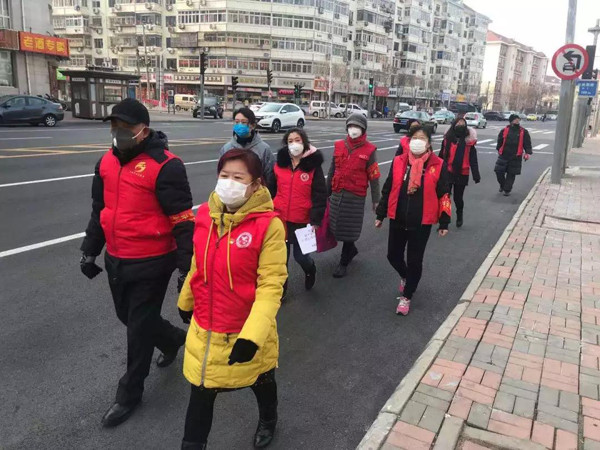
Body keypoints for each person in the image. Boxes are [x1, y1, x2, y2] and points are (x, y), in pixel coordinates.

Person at [79, 98, 194, 427]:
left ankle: (129, 394)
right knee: (127, 317)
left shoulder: (166, 166)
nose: (119, 133)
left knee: (138, 329)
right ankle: (173, 339)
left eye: (126, 127)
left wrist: (186, 268)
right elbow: (100, 211)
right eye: (115, 127)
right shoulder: (105, 162)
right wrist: (90, 250)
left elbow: (183, 221)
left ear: (144, 130)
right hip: (117, 257)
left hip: (153, 260)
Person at [177, 149, 287, 449]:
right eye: (224, 176)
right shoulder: (205, 216)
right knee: (201, 391)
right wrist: (186, 300)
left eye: (238, 177)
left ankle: (268, 419)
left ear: (256, 184)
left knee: (261, 379)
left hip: (244, 330)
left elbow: (271, 285)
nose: (229, 183)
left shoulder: (269, 226)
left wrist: (252, 337)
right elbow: (198, 264)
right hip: (205, 329)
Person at [376, 125, 451, 316]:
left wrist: (444, 221)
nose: (418, 141)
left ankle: (407, 296)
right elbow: (388, 188)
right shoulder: (399, 161)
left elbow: (444, 194)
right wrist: (381, 214)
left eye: (422, 138)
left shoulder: (437, 164)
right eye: (415, 138)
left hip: (421, 222)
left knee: (415, 260)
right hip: (398, 217)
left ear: (429, 143)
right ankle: (406, 276)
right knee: (393, 255)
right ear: (409, 141)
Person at [272, 128, 327, 294]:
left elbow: (319, 194)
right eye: (290, 141)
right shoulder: (279, 165)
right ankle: (281, 290)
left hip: (303, 220)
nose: (294, 144)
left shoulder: (313, 167)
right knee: (281, 259)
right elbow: (271, 190)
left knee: (301, 256)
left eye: (297, 140)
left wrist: (315, 220)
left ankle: (310, 269)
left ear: (304, 142)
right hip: (280, 219)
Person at [327, 113, 381, 278]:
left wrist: (376, 200)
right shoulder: (339, 145)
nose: (353, 129)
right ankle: (352, 250)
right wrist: (326, 191)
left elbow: (374, 176)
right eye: (351, 126)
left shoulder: (369, 150)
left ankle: (344, 262)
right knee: (335, 226)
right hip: (337, 194)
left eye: (357, 126)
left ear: (363, 129)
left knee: (349, 229)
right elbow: (332, 170)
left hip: (355, 197)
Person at [220, 107, 276, 195]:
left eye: (243, 122)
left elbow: (270, 177)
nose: (239, 125)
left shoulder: (263, 149)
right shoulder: (227, 148)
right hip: (232, 196)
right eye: (237, 122)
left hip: (256, 197)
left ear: (252, 125)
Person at [439, 118, 481, 227]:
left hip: (462, 173)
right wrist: (437, 170)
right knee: (445, 196)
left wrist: (476, 175)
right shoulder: (447, 140)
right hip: (448, 171)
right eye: (458, 123)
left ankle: (459, 214)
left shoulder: (469, 143)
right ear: (454, 125)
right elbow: (441, 156)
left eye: (463, 124)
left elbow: (473, 160)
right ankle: (444, 220)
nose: (460, 125)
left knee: (458, 198)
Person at [494, 114, 533, 196]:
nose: (517, 120)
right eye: (515, 119)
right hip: (504, 155)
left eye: (518, 119)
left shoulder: (523, 131)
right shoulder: (504, 130)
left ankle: (507, 190)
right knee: (498, 171)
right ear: (511, 121)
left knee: (511, 174)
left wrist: (527, 153)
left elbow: (527, 143)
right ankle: (502, 185)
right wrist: (499, 149)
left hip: (516, 156)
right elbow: (500, 141)